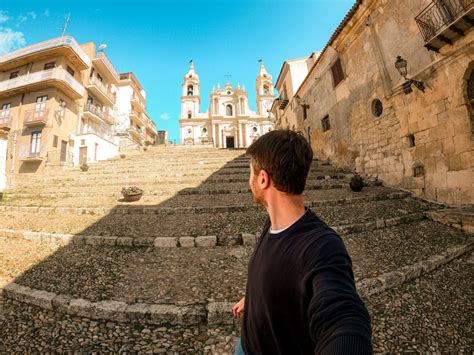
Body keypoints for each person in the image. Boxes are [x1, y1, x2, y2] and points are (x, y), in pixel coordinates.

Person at [232, 130, 372, 355]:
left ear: (263, 178)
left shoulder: (322, 246)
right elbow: (276, 270)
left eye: (251, 173)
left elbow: (343, 317)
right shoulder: (273, 222)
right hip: (246, 345)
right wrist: (253, 297)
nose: (249, 182)